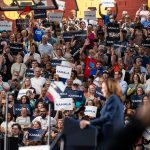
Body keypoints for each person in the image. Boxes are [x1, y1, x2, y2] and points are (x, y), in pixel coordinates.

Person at [80, 78, 124, 149]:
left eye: (103, 88)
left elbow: (107, 117)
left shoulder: (113, 98)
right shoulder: (114, 99)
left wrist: (89, 123)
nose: (101, 90)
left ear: (110, 88)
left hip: (111, 137)